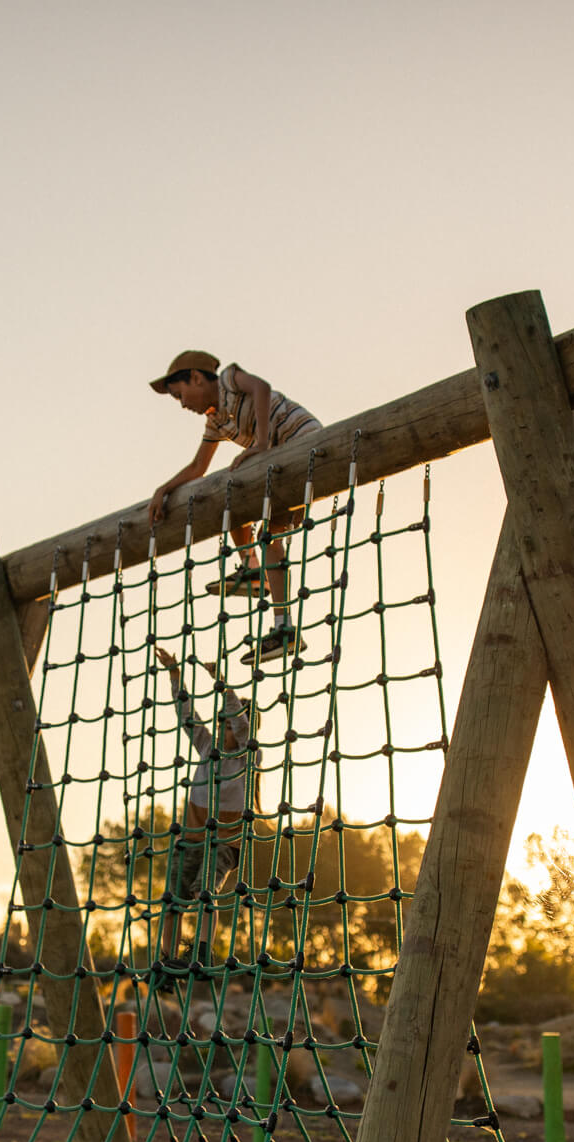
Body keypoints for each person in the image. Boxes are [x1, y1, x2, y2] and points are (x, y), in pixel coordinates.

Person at [146, 350, 322, 664]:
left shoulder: (229, 379)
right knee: (240, 512)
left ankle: (267, 595)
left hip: (305, 444)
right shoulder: (217, 421)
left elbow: (262, 388)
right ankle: (263, 588)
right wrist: (163, 489)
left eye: (180, 394)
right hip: (280, 466)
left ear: (196, 378)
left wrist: (262, 443)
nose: (183, 404)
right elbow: (198, 466)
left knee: (245, 502)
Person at [152, 644, 253, 977]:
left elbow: (242, 727)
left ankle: (202, 952)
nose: (224, 729)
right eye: (221, 723)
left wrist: (223, 684)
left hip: (225, 841)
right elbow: (186, 716)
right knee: (173, 902)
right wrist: (174, 674)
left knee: (203, 891)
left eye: (228, 725)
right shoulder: (207, 747)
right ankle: (167, 960)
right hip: (191, 835)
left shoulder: (246, 758)